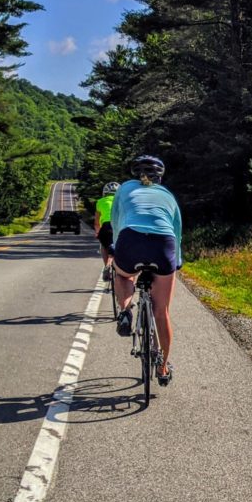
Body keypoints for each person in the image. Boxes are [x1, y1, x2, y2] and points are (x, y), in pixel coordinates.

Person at [111, 155, 182, 386]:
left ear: (134, 173)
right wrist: (176, 261)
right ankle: (162, 368)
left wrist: (116, 248)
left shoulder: (124, 189)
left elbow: (116, 221)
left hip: (131, 238)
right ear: (160, 176)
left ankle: (124, 311)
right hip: (164, 244)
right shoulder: (168, 194)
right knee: (162, 311)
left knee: (122, 273)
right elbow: (177, 230)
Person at [94, 182, 119, 281]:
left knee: (104, 245)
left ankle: (107, 265)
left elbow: (96, 222)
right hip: (119, 225)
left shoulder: (100, 202)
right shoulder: (122, 202)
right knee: (120, 245)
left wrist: (97, 233)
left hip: (106, 226)